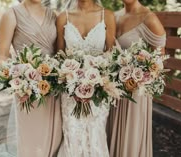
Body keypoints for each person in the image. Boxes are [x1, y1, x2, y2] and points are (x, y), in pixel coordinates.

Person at [0, 0, 62, 156]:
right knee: (31, 136)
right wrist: (18, 78)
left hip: (53, 88)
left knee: (54, 135)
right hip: (27, 89)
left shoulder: (53, 15)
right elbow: (2, 55)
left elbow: (58, 51)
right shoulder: (11, 15)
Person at [56, 0, 116, 156]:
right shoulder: (63, 17)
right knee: (72, 134)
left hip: (99, 90)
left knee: (96, 134)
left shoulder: (107, 16)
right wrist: (71, 78)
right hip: (70, 90)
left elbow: (111, 56)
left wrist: (97, 80)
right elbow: (59, 56)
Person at [107, 0, 166, 157]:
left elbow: (158, 65)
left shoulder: (150, 19)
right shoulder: (114, 16)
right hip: (113, 90)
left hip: (135, 94)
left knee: (130, 138)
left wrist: (137, 78)